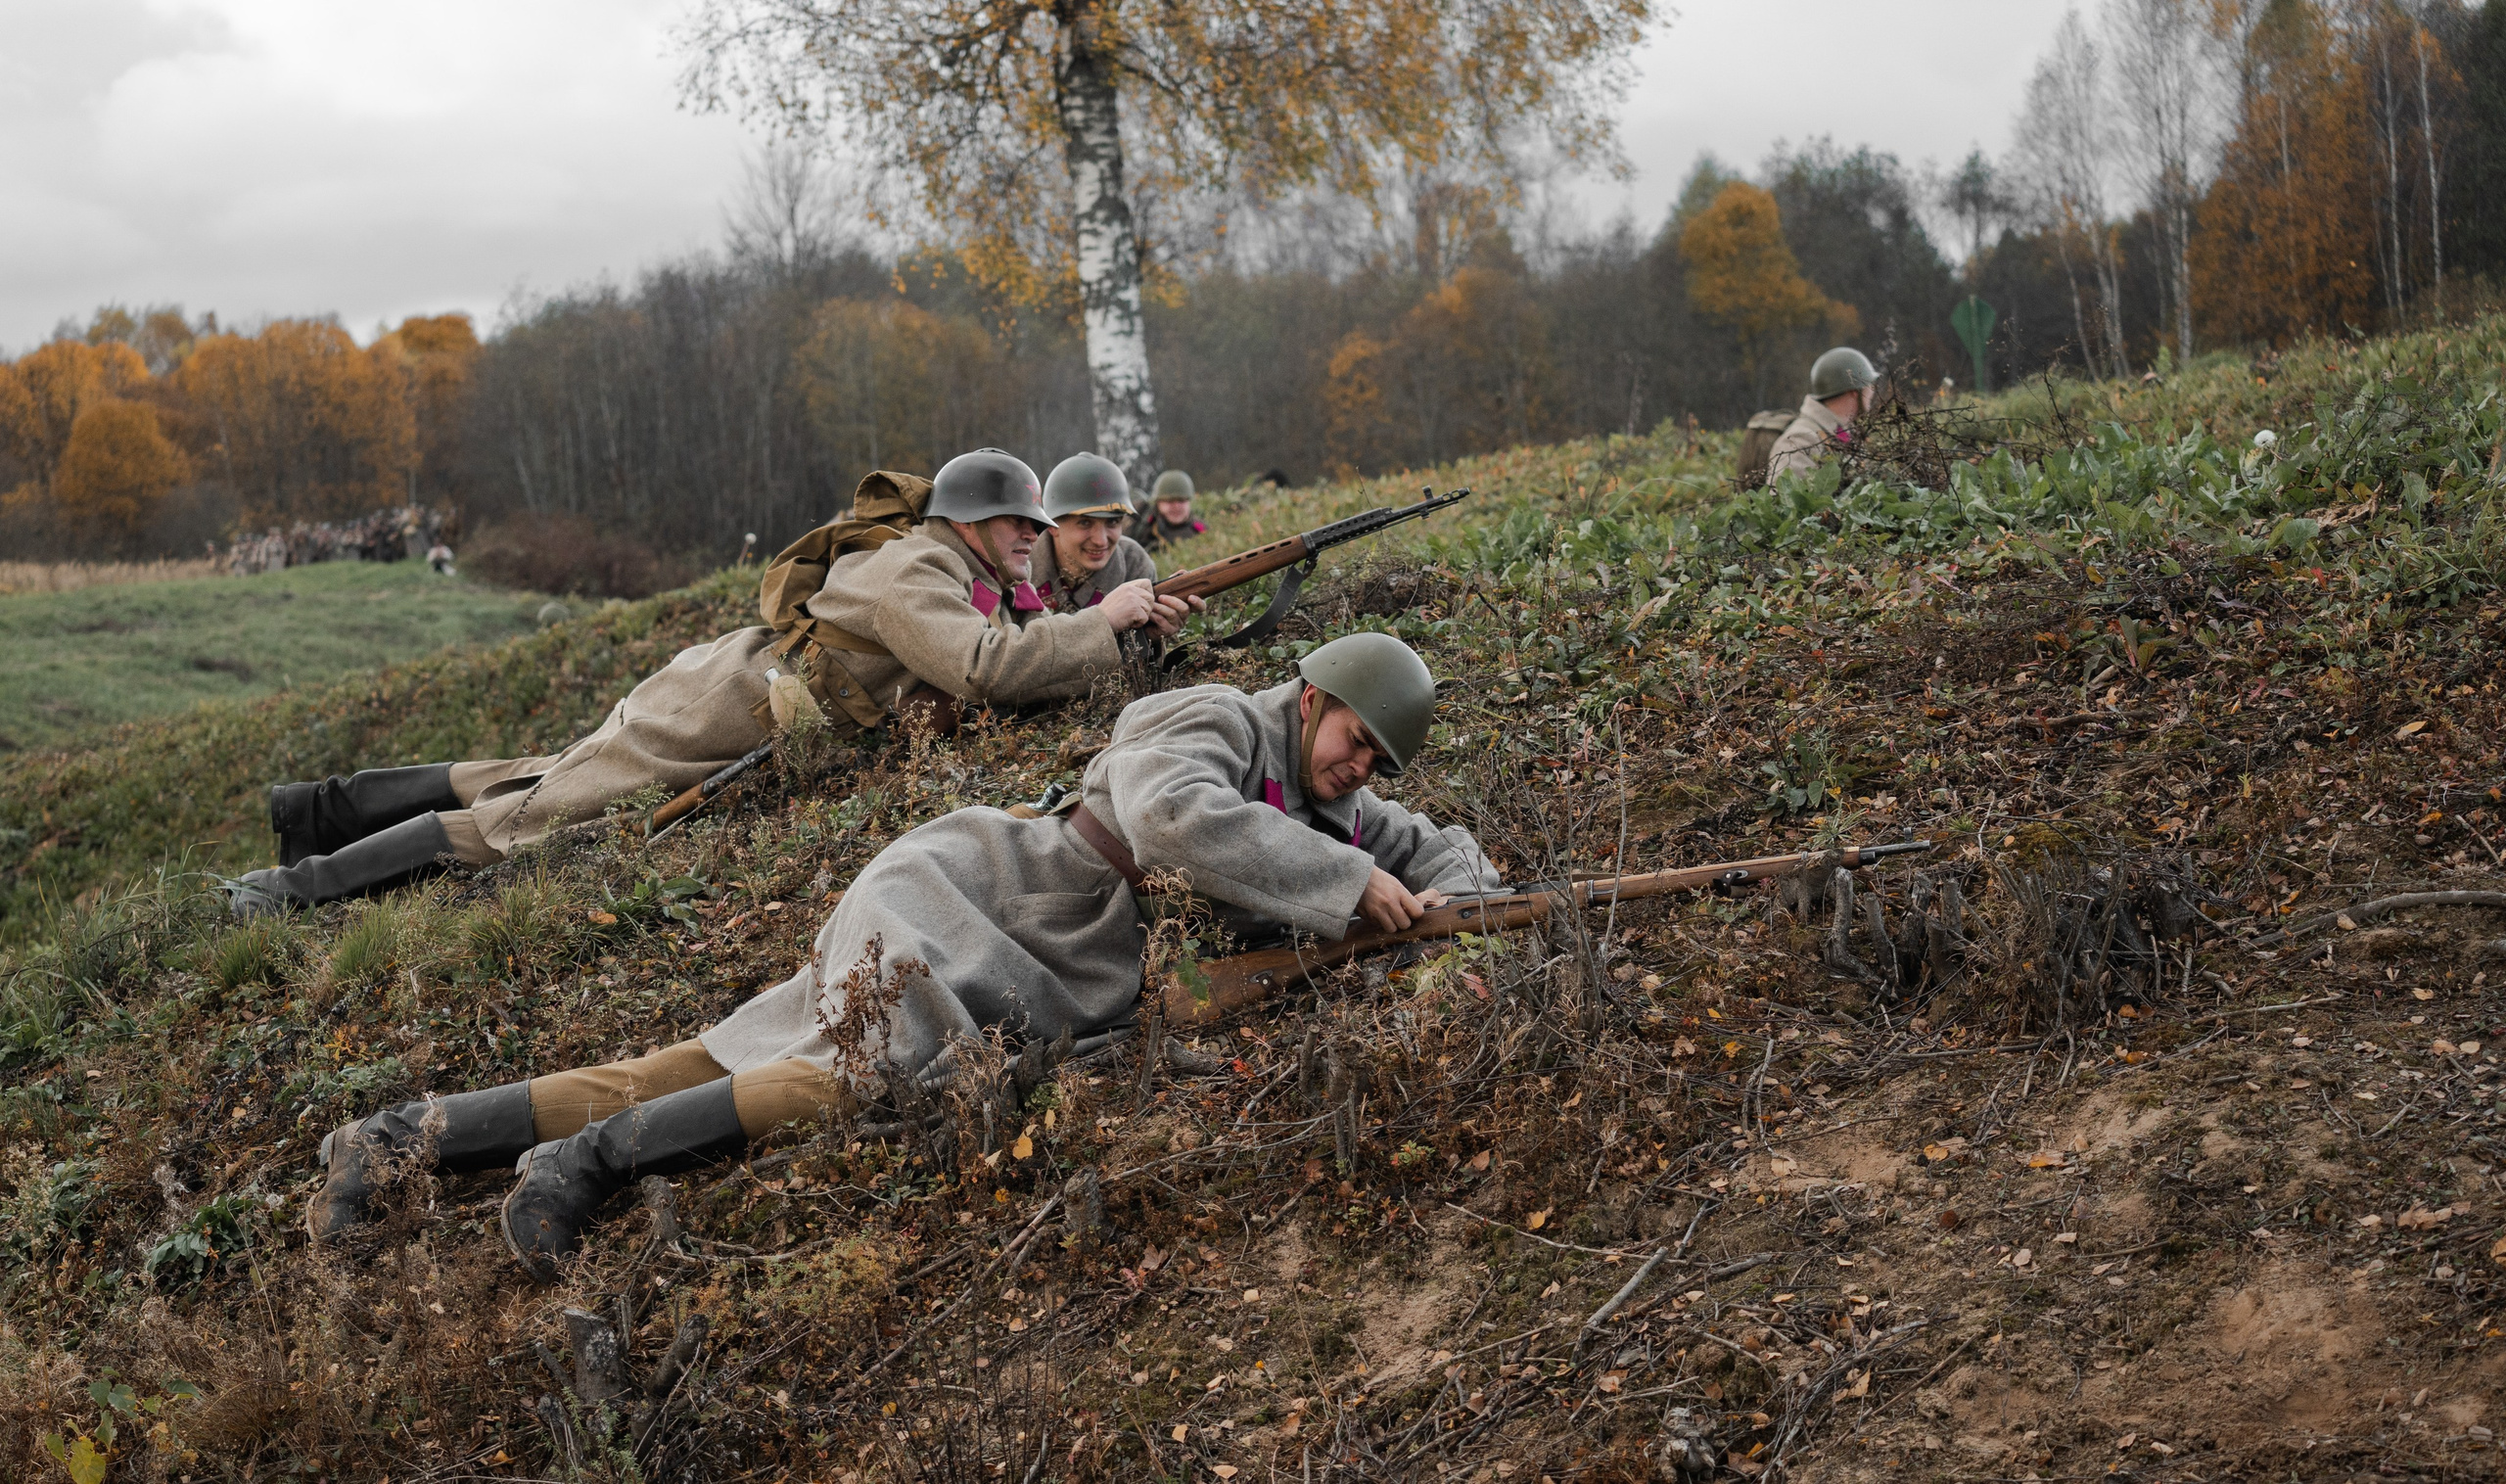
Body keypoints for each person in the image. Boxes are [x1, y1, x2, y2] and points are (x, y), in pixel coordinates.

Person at [298, 632, 1500, 1279]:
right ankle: (585, 1164)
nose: (1362, 770)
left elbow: (1435, 850)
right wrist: (1348, 887)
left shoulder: (1335, 808)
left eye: (1380, 764)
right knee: (861, 1071)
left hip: (1043, 955)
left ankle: (406, 1134)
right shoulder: (1217, 720)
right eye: (1356, 739)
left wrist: (1460, 897)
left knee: (722, 1052)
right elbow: (1173, 817)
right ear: (1311, 696)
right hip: (977, 889)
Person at [229, 449, 1196, 916]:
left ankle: (307, 811)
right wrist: (1098, 623)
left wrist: (1085, 617)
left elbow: (998, 649)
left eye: (1036, 529)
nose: (1034, 539)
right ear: (972, 525)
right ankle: (287, 891)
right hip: (719, 711)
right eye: (1019, 526)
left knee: (528, 775)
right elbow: (984, 670)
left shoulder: (952, 568)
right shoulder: (917, 572)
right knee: (523, 816)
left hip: (726, 698)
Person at [1029, 452, 1160, 614]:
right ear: (1052, 526)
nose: (1101, 541)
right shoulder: (1021, 567)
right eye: (1085, 523)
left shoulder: (1134, 564)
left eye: (1112, 522)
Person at [1764, 347, 1880, 482]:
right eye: (1869, 385)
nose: (1872, 392)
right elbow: (1783, 497)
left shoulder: (1843, 433)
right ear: (1854, 391)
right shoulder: (1801, 439)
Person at [1130, 469, 1207, 550]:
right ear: (1158, 502)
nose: (1176, 507)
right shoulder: (1140, 525)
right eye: (1170, 501)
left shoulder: (1201, 531)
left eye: (1181, 501)